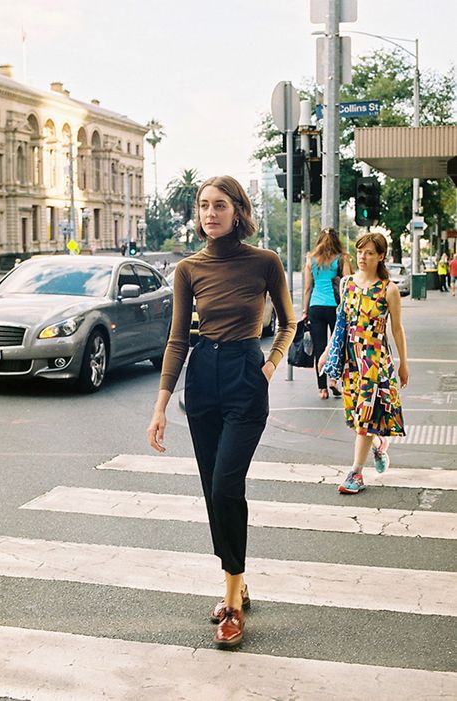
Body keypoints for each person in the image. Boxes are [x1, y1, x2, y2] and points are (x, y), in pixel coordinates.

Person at [147, 176, 296, 647]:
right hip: (203, 378)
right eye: (203, 205)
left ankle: (232, 604)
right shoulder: (188, 269)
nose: (210, 213)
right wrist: (161, 406)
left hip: (245, 374)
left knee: (228, 484)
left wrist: (269, 367)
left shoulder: (264, 262)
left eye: (220, 205)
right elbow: (176, 339)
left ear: (238, 211)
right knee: (213, 489)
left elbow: (289, 323)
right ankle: (237, 578)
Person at [318, 232, 408, 494]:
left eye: (369, 253)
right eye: (360, 252)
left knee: (365, 419)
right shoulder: (346, 284)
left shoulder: (388, 289)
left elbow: (398, 329)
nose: (363, 257)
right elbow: (341, 323)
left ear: (381, 256)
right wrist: (327, 352)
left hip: (376, 361)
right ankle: (379, 445)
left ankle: (356, 473)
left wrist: (403, 363)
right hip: (351, 360)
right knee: (358, 417)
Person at [303, 228, 352, 399]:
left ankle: (322, 389)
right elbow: (348, 283)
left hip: (315, 306)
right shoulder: (342, 259)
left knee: (320, 348)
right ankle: (333, 380)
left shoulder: (311, 260)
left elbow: (308, 288)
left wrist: (305, 311)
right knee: (337, 345)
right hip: (335, 307)